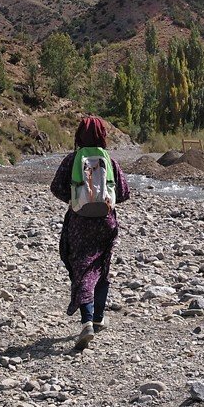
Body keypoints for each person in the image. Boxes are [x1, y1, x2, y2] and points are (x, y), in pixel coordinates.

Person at [50, 116, 129, 350]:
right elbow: (123, 192)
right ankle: (98, 316)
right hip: (105, 222)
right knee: (101, 266)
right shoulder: (110, 161)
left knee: (82, 268)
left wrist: (76, 199)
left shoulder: (71, 160)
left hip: (79, 222)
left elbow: (56, 188)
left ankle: (86, 321)